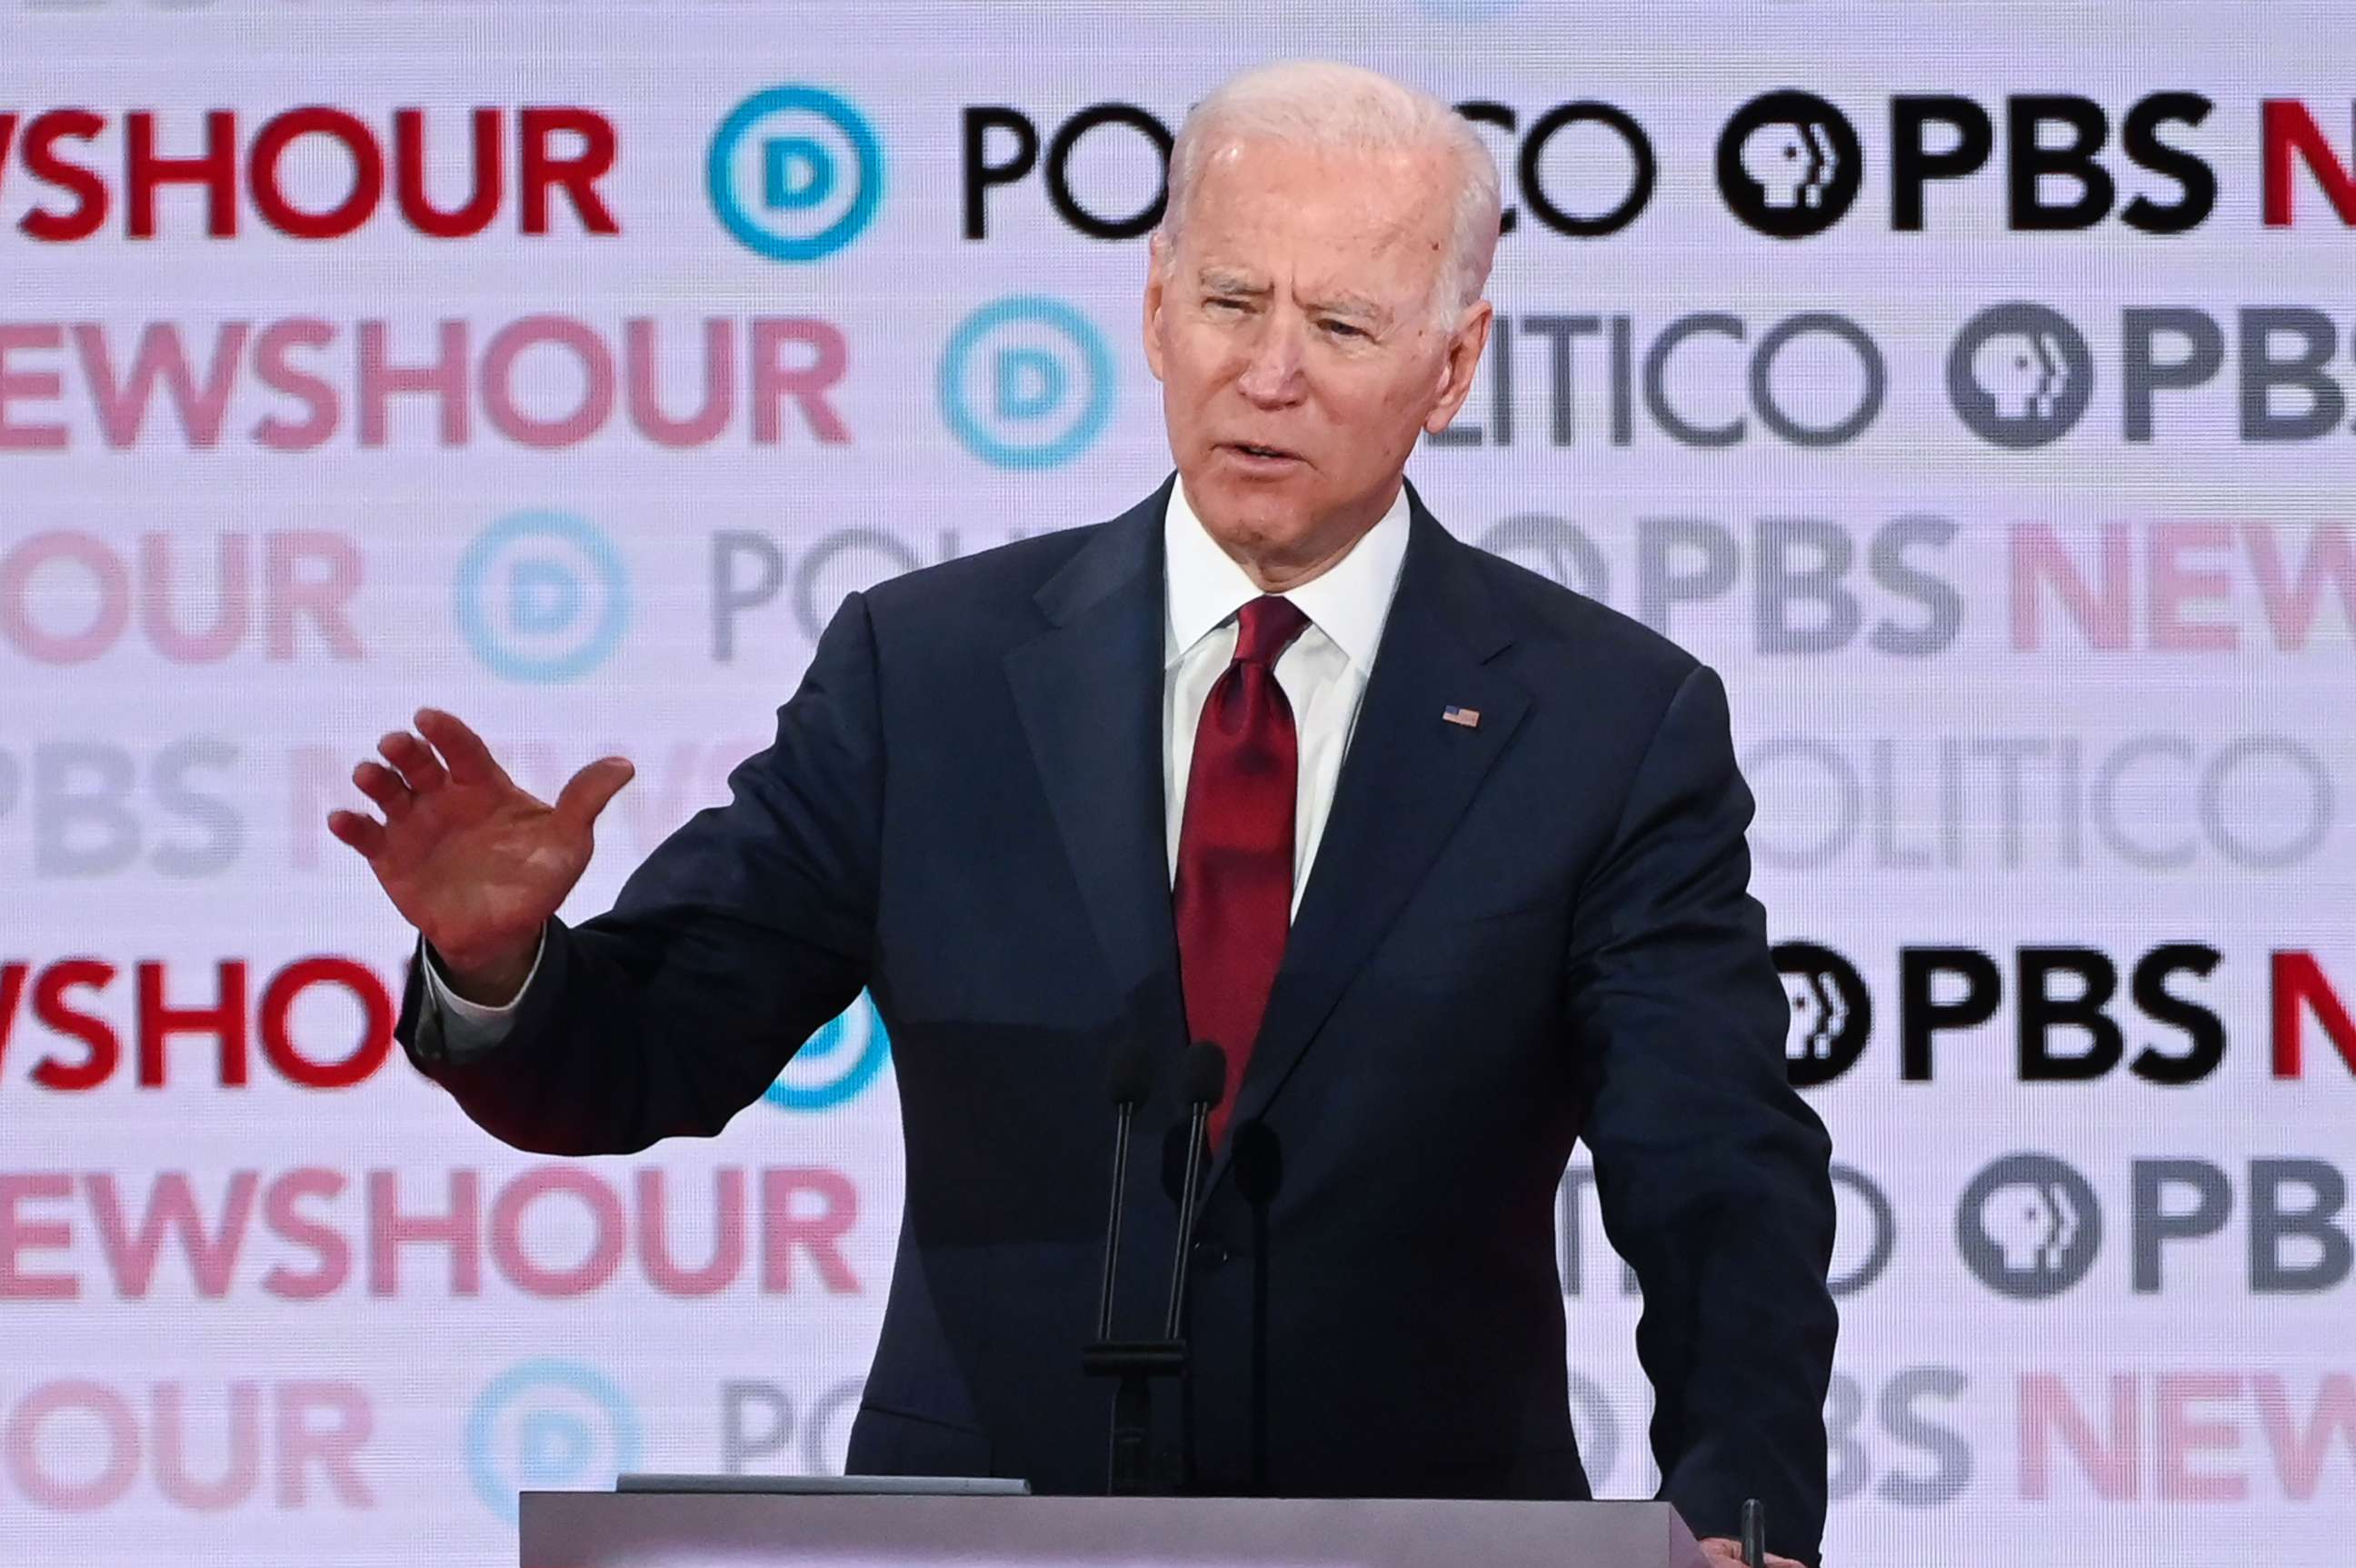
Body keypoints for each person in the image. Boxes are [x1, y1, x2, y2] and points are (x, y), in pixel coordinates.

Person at [329, 60, 1837, 1568]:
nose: (1270, 373)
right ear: (1156, 308)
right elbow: (655, 1047)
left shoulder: (1607, 723)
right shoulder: (927, 672)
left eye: (1343, 325)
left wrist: (1737, 1510)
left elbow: (1715, 1172)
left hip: (1428, 1533)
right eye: (1235, 303)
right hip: (995, 1537)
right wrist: (504, 968)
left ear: (1452, 365)